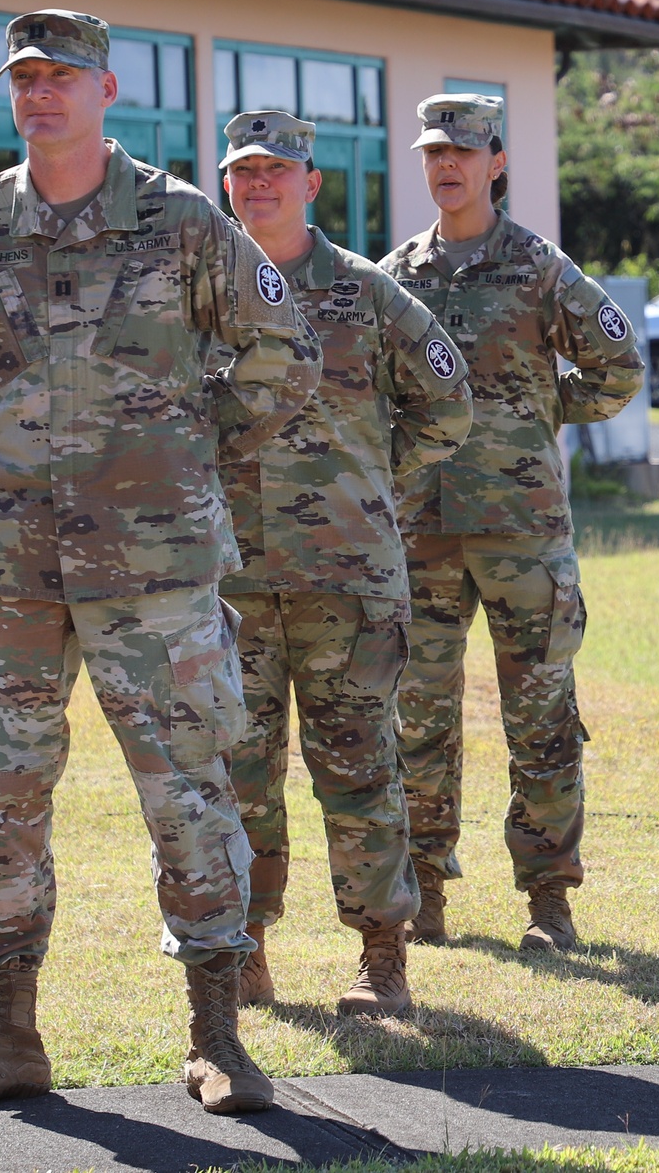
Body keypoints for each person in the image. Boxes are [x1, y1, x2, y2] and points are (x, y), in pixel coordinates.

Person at [0, 10, 322, 1116]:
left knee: (187, 794)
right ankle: (4, 1039)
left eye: (60, 76)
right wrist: (1, 444)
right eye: (23, 76)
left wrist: (182, 452)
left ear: (105, 90)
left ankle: (219, 1038)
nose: (39, 93)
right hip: (6, 566)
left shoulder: (179, 223)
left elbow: (283, 354)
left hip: (155, 565)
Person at [211, 111, 472, 1016]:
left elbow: (447, 402)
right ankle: (244, 949)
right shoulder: (198, 293)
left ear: (311, 183)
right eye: (243, 172)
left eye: (277, 171)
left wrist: (370, 488)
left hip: (349, 585)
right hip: (232, 582)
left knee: (360, 768)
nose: (259, 186)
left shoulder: (366, 292)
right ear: (226, 183)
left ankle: (381, 955)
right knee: (238, 772)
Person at [378, 94, 643, 951]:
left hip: (522, 530)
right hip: (422, 532)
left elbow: (618, 365)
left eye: (464, 149)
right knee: (418, 718)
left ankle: (549, 902)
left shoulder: (538, 266)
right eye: (432, 151)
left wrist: (539, 412)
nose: (446, 163)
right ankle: (426, 895)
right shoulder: (396, 274)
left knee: (541, 715)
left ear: (496, 161)